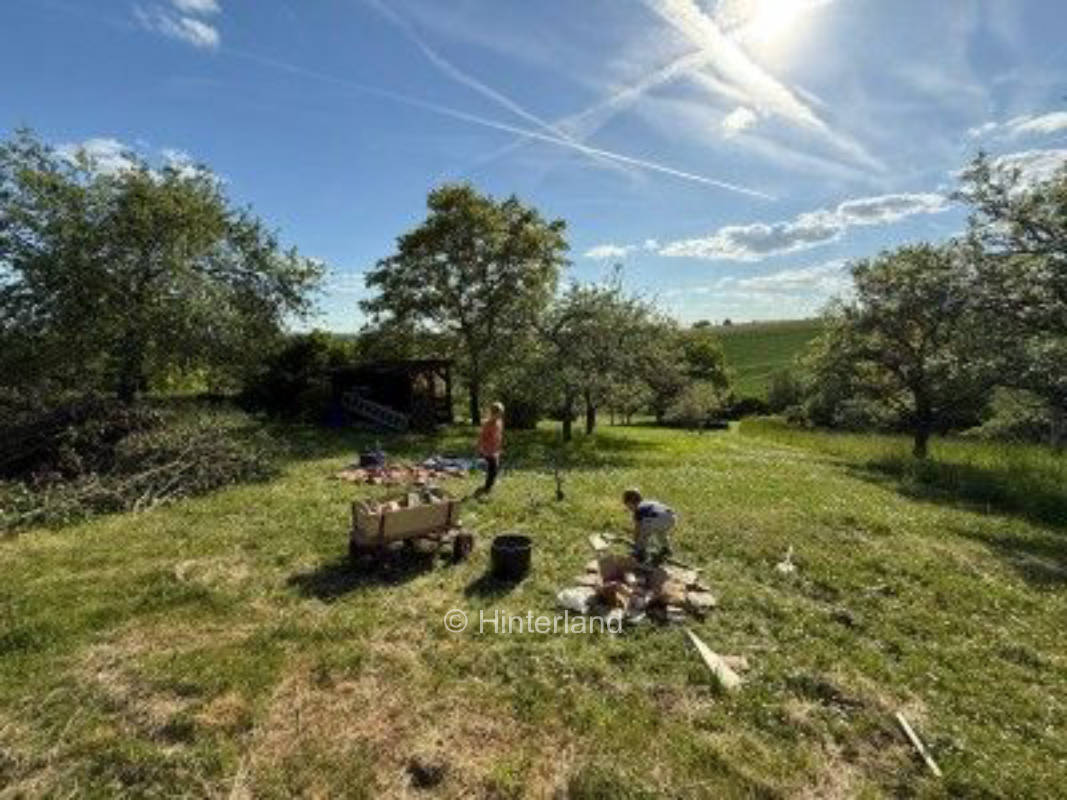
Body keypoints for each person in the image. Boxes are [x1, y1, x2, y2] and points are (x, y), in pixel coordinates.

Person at [622, 488, 676, 564]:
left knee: (644, 530)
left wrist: (636, 542)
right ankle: (665, 549)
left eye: (628, 506)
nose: (629, 509)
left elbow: (637, 528)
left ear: (630, 502)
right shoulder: (648, 503)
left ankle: (640, 553)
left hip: (658, 518)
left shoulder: (638, 508)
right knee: (661, 533)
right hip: (671, 517)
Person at [475, 402, 505, 496]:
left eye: (501, 414)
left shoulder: (499, 422)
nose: (499, 416)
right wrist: (480, 447)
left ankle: (491, 483)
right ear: (492, 413)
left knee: (495, 467)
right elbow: (481, 437)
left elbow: (499, 435)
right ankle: (487, 487)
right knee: (493, 468)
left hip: (495, 449)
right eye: (497, 414)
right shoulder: (487, 424)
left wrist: (499, 447)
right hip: (488, 450)